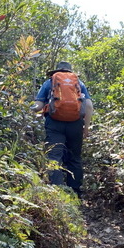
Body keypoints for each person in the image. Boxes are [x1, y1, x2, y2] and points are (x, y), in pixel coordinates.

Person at [31, 61, 93, 197]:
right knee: (75, 158)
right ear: (70, 71)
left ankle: (57, 193)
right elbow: (88, 106)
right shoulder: (79, 83)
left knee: (54, 157)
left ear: (56, 71)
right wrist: (86, 127)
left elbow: (39, 105)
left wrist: (28, 112)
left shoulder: (49, 82)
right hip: (75, 124)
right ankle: (75, 193)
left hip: (54, 124)